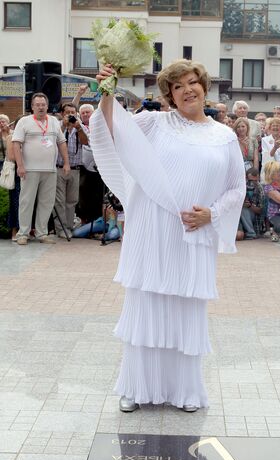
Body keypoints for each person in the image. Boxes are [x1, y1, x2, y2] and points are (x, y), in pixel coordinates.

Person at [90, 59, 245, 413]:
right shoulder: (152, 123)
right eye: (178, 86)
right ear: (170, 95)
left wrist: (213, 214)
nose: (188, 89)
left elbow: (237, 188)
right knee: (145, 308)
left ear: (204, 88)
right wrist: (107, 93)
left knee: (185, 312)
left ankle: (184, 392)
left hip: (193, 234)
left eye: (193, 82)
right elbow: (111, 130)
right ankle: (136, 388)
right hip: (152, 231)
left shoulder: (224, 136)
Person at [12, 93, 70, 245]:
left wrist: (66, 163)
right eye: (37, 105)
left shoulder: (53, 121)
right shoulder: (24, 121)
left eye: (43, 104)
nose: (41, 107)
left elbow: (62, 142)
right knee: (26, 201)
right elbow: (16, 144)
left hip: (50, 170)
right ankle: (23, 233)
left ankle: (42, 233)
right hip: (29, 169)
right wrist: (20, 165)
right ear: (32, 107)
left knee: (47, 202)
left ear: (47, 105)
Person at [55, 103, 88, 238]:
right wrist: (64, 125)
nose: (70, 115)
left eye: (73, 112)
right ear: (62, 114)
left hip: (75, 169)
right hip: (59, 168)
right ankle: (60, 228)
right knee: (59, 200)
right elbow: (53, 139)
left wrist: (79, 128)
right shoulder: (57, 126)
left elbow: (85, 142)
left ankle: (68, 227)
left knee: (72, 200)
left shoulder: (79, 126)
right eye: (67, 112)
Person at [260, 117, 280, 181]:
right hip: (270, 171)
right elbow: (267, 157)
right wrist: (275, 147)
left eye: (277, 126)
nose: (275, 128)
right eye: (273, 126)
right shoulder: (264, 140)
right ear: (270, 128)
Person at [239, 167, 263, 239]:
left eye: (254, 180)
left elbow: (260, 211)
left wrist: (249, 206)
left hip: (254, 217)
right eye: (250, 180)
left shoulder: (260, 188)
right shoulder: (242, 186)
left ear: (258, 178)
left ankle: (251, 233)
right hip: (239, 215)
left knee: (243, 210)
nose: (252, 183)